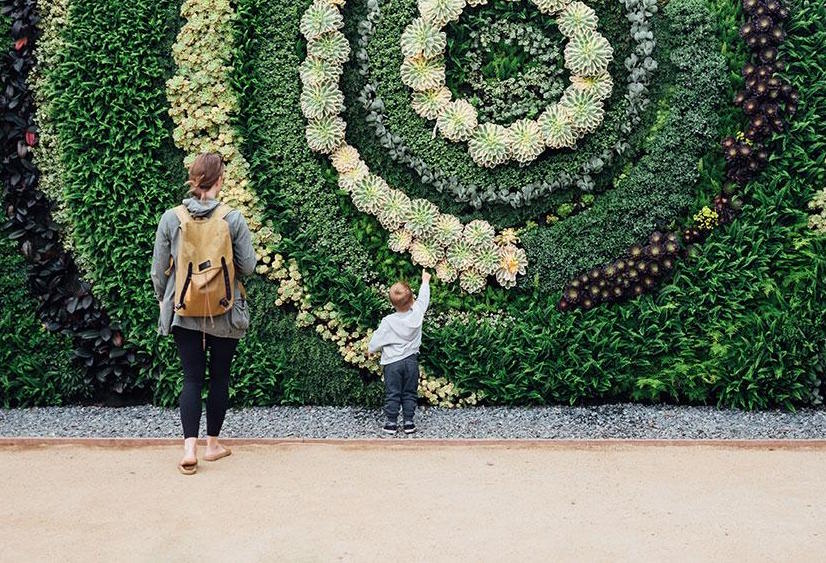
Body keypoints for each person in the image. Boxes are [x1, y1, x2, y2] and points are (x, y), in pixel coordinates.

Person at [152, 153, 256, 475]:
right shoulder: (233, 218)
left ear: (193, 179)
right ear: (220, 179)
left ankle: (188, 449)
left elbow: (159, 270)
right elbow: (249, 266)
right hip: (224, 310)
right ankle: (212, 445)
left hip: (184, 309)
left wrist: (163, 301)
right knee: (220, 377)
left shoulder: (172, 218)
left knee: (192, 378)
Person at [368, 270, 431, 435]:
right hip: (411, 361)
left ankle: (391, 423)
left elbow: (378, 339)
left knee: (393, 392)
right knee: (409, 392)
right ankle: (409, 422)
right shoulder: (417, 314)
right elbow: (424, 300)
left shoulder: (388, 321)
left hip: (392, 363)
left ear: (391, 302)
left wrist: (371, 349)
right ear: (412, 300)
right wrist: (425, 281)